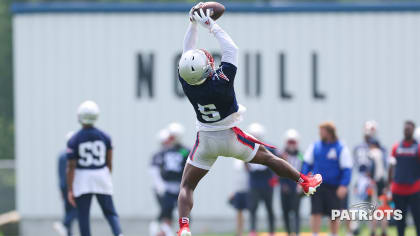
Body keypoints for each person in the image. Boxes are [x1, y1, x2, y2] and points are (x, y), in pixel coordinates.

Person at [176, 4, 322, 236]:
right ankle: (304, 181)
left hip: (205, 140)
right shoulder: (221, 81)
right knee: (270, 159)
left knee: (187, 186)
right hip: (230, 136)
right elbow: (231, 49)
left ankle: (184, 226)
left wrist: (191, 23)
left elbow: (187, 51)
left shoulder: (186, 81)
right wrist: (210, 25)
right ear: (206, 69)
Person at [66, 100, 123, 236]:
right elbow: (109, 161)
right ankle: (118, 233)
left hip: (82, 177)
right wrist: (106, 177)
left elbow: (71, 166)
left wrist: (70, 188)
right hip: (101, 174)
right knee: (110, 211)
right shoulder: (105, 136)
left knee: (83, 215)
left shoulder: (74, 139)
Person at [302, 122, 352, 236]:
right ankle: (315, 233)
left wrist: (343, 185)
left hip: (334, 187)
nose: (320, 133)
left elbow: (347, 168)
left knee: (334, 214)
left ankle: (334, 234)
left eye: (322, 131)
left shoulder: (340, 147)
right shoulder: (315, 146)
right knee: (316, 212)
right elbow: (306, 163)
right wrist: (304, 179)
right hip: (317, 186)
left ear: (329, 132)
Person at [150, 123, 190, 236]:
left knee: (183, 214)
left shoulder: (183, 151)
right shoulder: (169, 151)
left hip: (179, 186)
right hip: (168, 186)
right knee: (167, 213)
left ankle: (181, 232)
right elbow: (155, 168)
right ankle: (167, 232)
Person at [389, 121, 420, 236]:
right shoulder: (397, 147)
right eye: (405, 129)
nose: (407, 131)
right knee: (400, 221)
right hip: (398, 190)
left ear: (413, 131)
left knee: (417, 219)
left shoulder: (418, 147)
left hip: (414, 190)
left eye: (409, 129)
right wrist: (389, 185)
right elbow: (391, 166)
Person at [246, 123, 276, 236]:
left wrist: (275, 178)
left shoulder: (269, 148)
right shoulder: (247, 148)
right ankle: (253, 230)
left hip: (267, 183)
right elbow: (246, 164)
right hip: (254, 183)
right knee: (253, 208)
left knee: (269, 208)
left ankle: (271, 231)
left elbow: (278, 162)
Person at [53, 131, 78, 236]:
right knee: (77, 209)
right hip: (73, 186)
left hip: (64, 186)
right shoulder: (74, 155)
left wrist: (60, 188)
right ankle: (64, 225)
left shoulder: (61, 155)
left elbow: (59, 173)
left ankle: (68, 233)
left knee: (68, 210)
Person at [279, 129, 303, 236]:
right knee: (285, 212)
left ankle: (296, 233)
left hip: (296, 186)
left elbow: (304, 169)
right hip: (285, 186)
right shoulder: (282, 154)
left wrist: (301, 184)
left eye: (293, 142)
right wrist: (282, 184)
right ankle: (288, 233)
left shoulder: (301, 155)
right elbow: (278, 170)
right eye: (290, 142)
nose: (292, 145)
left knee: (296, 211)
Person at [228, 159, 248, 236]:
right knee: (239, 212)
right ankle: (239, 233)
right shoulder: (236, 161)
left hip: (247, 189)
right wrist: (233, 191)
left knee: (250, 211)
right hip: (238, 190)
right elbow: (235, 177)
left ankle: (248, 231)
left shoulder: (248, 158)